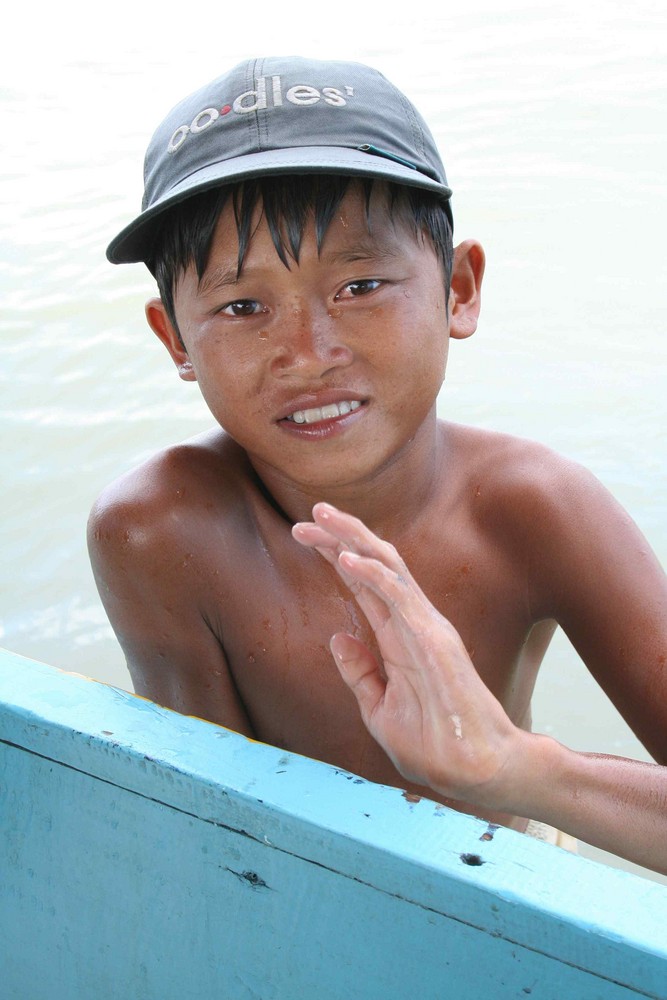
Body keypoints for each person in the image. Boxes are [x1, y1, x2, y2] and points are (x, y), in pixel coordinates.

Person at [89, 56, 667, 873]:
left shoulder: (539, 508)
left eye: (360, 284)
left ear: (458, 290)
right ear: (175, 339)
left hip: (505, 882)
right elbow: (214, 832)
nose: (308, 354)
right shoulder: (159, 529)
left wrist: (521, 771)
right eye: (242, 306)